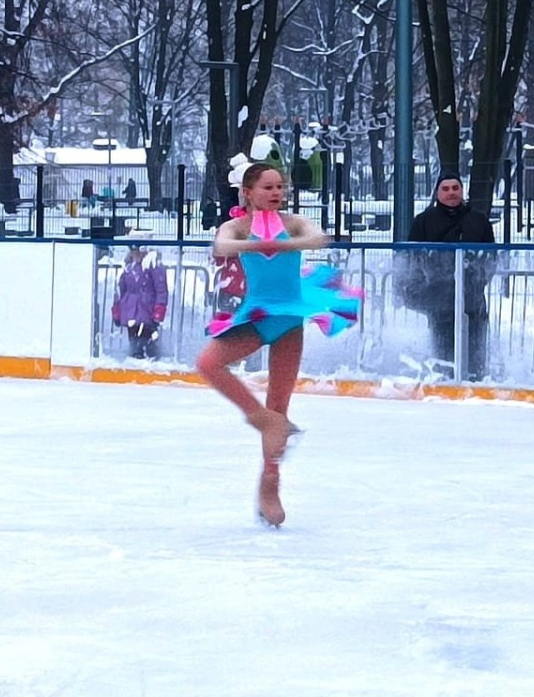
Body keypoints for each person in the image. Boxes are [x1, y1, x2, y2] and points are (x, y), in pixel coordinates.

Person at [196, 162, 357, 526]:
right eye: (267, 188)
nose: (276, 193)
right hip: (257, 314)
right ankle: (261, 419)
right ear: (248, 192)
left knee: (280, 405)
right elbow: (222, 244)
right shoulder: (236, 225)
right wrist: (259, 242)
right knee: (208, 363)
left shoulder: (293, 222)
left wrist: (273, 243)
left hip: (290, 317)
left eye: (280, 187)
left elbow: (317, 238)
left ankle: (270, 485)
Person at [403, 170, 496, 381]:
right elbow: (412, 258)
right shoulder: (423, 222)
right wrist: (424, 288)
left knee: (475, 351)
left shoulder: (478, 221)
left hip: (473, 300)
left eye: (455, 188)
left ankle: (475, 380)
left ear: (462, 190)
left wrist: (477, 282)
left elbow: (490, 257)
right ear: (437, 193)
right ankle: (444, 382)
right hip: (439, 301)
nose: (451, 193)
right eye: (446, 189)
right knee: (443, 350)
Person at [114, 245, 170, 360]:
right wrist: (117, 308)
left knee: (145, 338)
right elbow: (121, 289)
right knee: (133, 340)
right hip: (130, 309)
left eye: (139, 250)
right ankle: (136, 358)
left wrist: (159, 308)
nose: (136, 253)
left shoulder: (154, 266)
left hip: (147, 310)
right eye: (133, 250)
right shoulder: (129, 266)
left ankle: (148, 356)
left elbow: (161, 289)